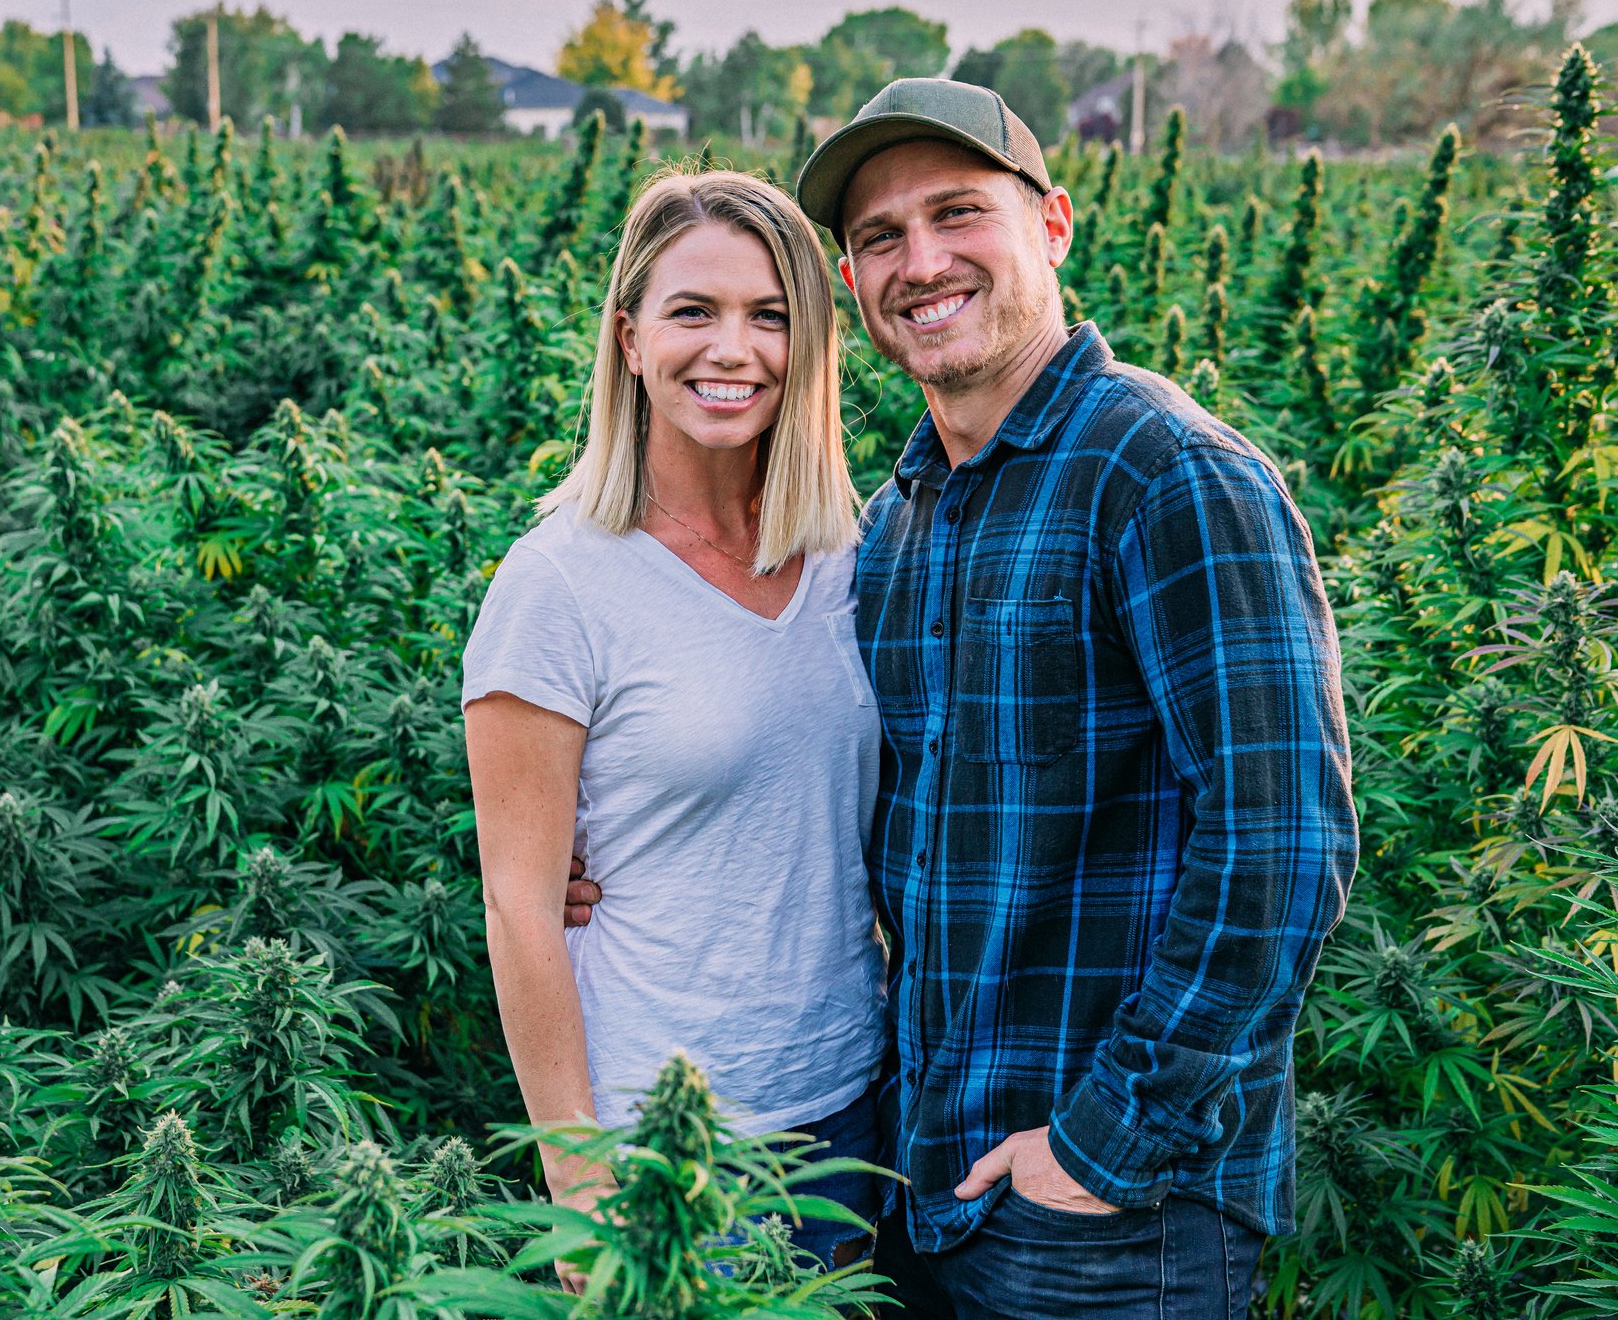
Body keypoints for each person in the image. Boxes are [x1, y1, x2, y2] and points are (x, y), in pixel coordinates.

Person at [573, 80, 1359, 1316]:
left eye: (957, 214)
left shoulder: (1163, 475)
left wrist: (1101, 1142)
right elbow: (834, 785)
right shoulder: (892, 523)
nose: (919, 262)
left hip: (1113, 1213)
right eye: (879, 238)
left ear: (1049, 224)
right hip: (919, 1175)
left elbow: (1281, 847)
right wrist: (603, 841)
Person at [462, 168, 889, 1288]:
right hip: (662, 1136)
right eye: (691, 312)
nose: (730, 348)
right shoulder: (558, 581)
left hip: (852, 1106)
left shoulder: (854, 554)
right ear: (629, 339)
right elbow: (517, 900)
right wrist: (579, 1178)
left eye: (768, 316)